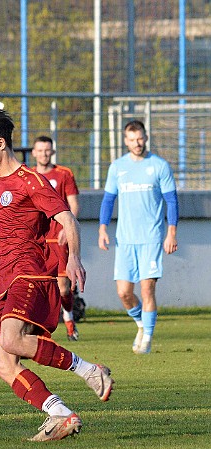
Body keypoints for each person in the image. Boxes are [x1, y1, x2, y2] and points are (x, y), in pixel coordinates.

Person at [0, 107, 114, 441]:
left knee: (12, 339)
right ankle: (60, 414)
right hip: (3, 283)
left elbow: (66, 218)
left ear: (1, 143)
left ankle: (89, 371)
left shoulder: (31, 181)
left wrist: (73, 260)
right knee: (1, 361)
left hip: (30, 274)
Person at [98, 120, 178, 355]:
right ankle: (142, 325)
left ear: (146, 137)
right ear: (125, 141)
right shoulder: (118, 167)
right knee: (123, 292)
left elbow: (171, 201)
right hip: (125, 240)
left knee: (147, 290)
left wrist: (171, 233)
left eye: (140, 138)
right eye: (132, 139)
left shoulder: (159, 166)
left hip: (152, 238)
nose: (137, 143)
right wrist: (103, 228)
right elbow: (108, 200)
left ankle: (148, 340)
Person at [32, 136, 81, 341]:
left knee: (62, 288)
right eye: (40, 150)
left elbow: (74, 204)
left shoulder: (63, 174)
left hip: (58, 238)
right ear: (34, 152)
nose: (44, 153)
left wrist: (67, 228)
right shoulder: (28, 175)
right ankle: (39, 329)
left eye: (47, 150)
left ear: (52, 152)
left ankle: (69, 318)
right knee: (38, 286)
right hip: (37, 239)